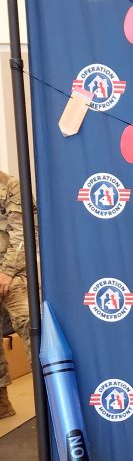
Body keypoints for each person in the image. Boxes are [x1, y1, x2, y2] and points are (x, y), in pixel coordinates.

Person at [0, 170, 31, 419]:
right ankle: (2, 406)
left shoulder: (12, 185)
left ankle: (51, 400)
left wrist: (7, 272)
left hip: (14, 274)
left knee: (31, 328)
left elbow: (22, 233)